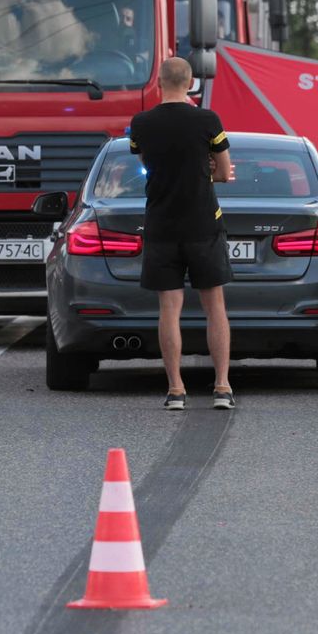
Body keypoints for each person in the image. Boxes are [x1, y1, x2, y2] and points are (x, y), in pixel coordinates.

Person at [127, 56, 235, 411]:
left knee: (168, 310)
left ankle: (175, 389)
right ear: (190, 84)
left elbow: (145, 164)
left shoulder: (141, 123)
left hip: (161, 225)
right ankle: (221, 386)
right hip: (203, 224)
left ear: (159, 83)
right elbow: (223, 172)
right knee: (214, 306)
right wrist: (206, 171)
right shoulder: (207, 120)